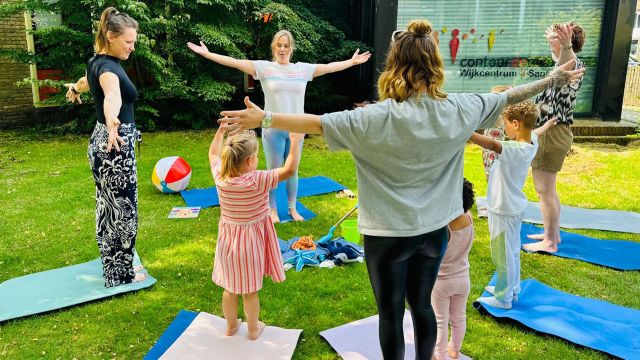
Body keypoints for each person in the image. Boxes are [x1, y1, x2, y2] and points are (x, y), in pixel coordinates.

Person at [218, 19, 583, 360]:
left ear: (393, 65)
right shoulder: (460, 108)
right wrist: (554, 77)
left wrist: (264, 117)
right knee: (422, 306)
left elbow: (314, 123)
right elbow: (513, 95)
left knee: (391, 314)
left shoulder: (372, 118)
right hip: (434, 234)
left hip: (387, 237)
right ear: (435, 64)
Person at [187, 30, 371, 223]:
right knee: (273, 170)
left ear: (291, 48)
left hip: (296, 130)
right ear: (274, 47)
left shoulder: (302, 69)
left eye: (286, 45)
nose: (282, 49)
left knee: (293, 169)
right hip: (271, 128)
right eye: (279, 45)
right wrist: (208, 54)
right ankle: (272, 209)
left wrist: (351, 62)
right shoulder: (264, 68)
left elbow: (329, 67)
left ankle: (292, 208)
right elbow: (234, 61)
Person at [64, 7, 146, 287]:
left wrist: (75, 89)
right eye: (128, 42)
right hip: (115, 145)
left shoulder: (96, 61)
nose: (132, 47)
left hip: (101, 142)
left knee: (108, 208)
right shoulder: (110, 69)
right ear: (111, 36)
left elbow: (87, 82)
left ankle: (112, 268)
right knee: (123, 212)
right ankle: (121, 275)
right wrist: (113, 121)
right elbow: (112, 95)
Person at [208, 125, 302, 340]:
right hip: (251, 244)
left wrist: (221, 131)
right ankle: (252, 329)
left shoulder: (220, 175)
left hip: (228, 242)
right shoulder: (257, 179)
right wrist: (295, 141)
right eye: (257, 156)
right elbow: (288, 170)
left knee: (230, 288)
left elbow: (213, 153)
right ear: (250, 161)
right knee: (249, 290)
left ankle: (231, 326)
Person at [470, 101, 557, 309]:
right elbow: (537, 130)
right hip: (512, 207)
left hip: (504, 209)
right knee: (511, 250)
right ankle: (512, 287)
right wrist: (549, 124)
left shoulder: (514, 149)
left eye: (506, 124)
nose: (504, 128)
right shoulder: (531, 142)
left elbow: (491, 144)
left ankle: (503, 297)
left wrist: (465, 132)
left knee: (503, 253)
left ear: (516, 124)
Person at [525, 22, 586, 253]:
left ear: (565, 40)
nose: (549, 40)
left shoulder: (572, 64)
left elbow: (566, 62)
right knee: (548, 189)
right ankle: (554, 234)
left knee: (544, 190)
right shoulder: (561, 64)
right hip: (552, 132)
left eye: (553, 37)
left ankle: (549, 242)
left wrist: (566, 44)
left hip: (552, 133)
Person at [431, 178, 475, 360]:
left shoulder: (443, 227)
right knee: (459, 318)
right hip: (463, 279)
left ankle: (439, 355)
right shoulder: (470, 218)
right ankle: (454, 350)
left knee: (440, 321)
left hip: (441, 282)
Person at [477, 85, 511, 217]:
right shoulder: (496, 112)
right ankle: (494, 201)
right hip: (488, 148)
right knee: (489, 174)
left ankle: (496, 203)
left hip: (492, 148)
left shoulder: (500, 112)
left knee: (492, 174)